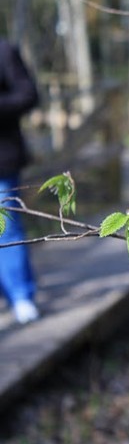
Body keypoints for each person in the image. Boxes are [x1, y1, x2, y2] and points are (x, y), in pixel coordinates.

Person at [0, 38, 40, 324]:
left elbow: (28, 95)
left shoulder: (4, 50)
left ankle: (21, 296)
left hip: (3, 160)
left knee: (7, 228)